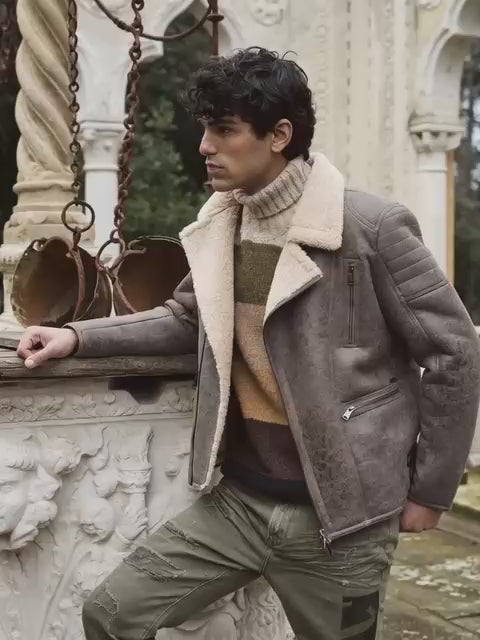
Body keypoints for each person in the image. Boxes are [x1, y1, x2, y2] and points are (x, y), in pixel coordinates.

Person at [17, 47, 480, 640]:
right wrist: (75, 337)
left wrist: (432, 491)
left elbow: (453, 350)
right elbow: (186, 319)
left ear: (279, 135)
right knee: (110, 613)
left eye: (224, 130)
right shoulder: (224, 222)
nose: (205, 146)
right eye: (205, 129)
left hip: (342, 520)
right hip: (237, 503)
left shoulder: (372, 226)